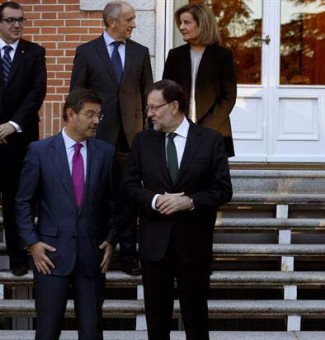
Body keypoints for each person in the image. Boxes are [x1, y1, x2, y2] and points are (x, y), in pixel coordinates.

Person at [121, 79, 232, 340]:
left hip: (193, 244)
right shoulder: (143, 141)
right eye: (148, 108)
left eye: (154, 107)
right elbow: (127, 186)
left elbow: (222, 190)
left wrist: (190, 201)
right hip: (154, 245)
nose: (149, 114)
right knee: (156, 322)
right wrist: (154, 200)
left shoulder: (211, 140)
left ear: (173, 106)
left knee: (196, 320)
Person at [15, 89, 117, 340]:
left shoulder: (106, 152)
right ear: (70, 114)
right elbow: (22, 202)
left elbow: (115, 202)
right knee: (48, 331)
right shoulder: (39, 151)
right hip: (50, 257)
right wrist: (33, 243)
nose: (96, 121)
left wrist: (112, 239)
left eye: (99, 116)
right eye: (90, 114)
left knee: (92, 331)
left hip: (91, 256)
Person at [70, 0, 153, 276]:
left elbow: (147, 97)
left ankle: (128, 255)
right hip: (97, 138)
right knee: (97, 197)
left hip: (131, 139)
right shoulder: (86, 52)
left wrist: (148, 136)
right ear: (111, 22)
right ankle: (96, 252)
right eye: (129, 19)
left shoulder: (141, 53)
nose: (134, 24)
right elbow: (77, 96)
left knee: (129, 198)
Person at [0, 1, 46, 276]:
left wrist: (12, 125)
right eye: (10, 20)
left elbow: (37, 93)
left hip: (20, 139)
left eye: (21, 20)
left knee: (18, 199)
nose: (17, 25)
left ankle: (18, 257)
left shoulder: (35, 53)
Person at [162, 3, 238, 157]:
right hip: (179, 129)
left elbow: (228, 96)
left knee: (212, 179)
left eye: (187, 22)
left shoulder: (223, 56)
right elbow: (167, 93)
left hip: (214, 130)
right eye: (180, 23)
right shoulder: (175, 55)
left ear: (202, 24)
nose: (181, 27)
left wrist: (205, 127)